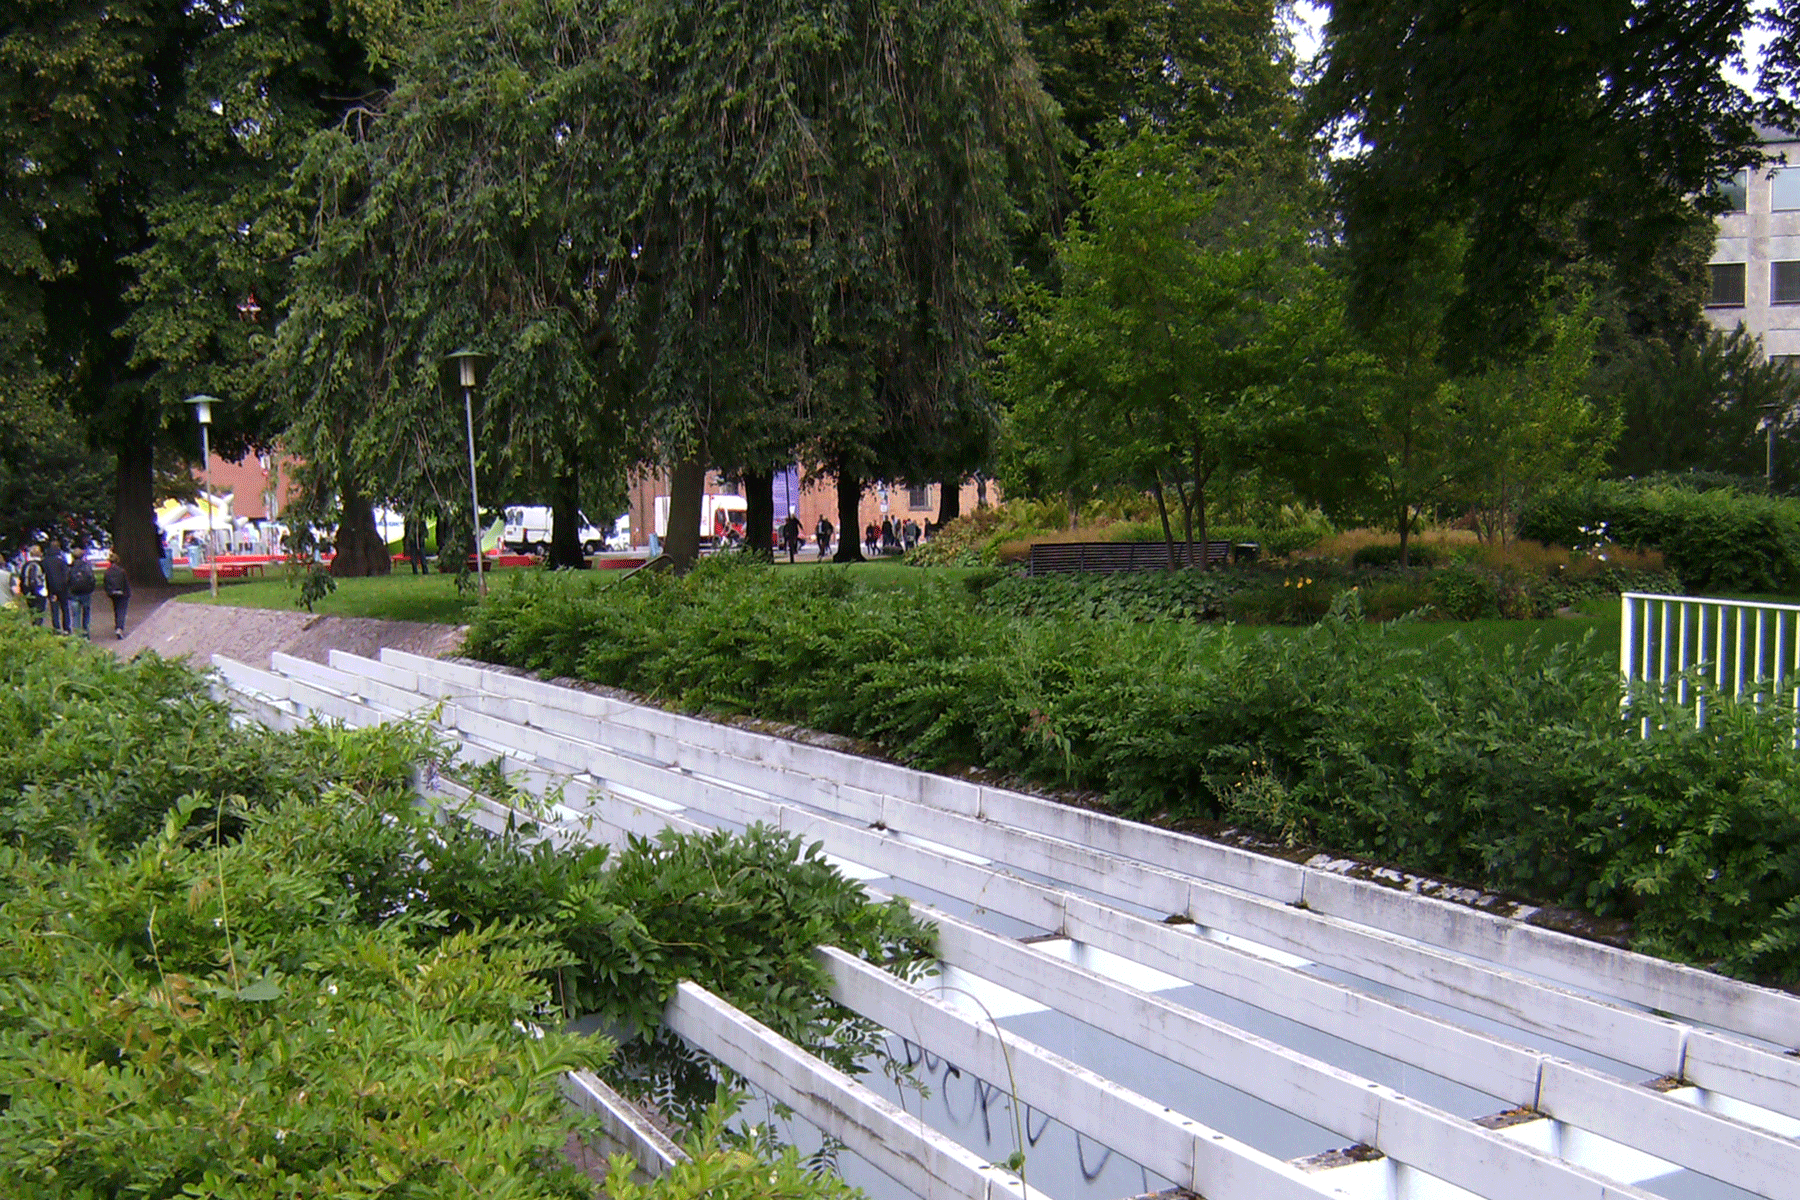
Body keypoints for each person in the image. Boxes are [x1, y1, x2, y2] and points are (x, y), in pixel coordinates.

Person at [66, 544, 96, 639]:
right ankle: (86, 633)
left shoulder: (70, 567)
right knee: (86, 614)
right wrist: (91, 589)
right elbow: (92, 579)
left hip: (74, 594)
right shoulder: (87, 566)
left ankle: (77, 635)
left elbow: (66, 580)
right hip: (86, 593)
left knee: (76, 615)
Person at [43, 540, 70, 633]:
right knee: (65, 609)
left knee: (54, 610)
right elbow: (66, 574)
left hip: (51, 588)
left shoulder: (46, 560)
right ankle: (66, 628)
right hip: (63, 588)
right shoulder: (61, 559)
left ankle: (56, 628)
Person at [104, 556, 132, 640]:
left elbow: (106, 584)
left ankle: (117, 626)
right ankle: (119, 628)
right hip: (122, 594)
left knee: (116, 609)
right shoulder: (121, 571)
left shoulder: (107, 572)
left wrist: (109, 592)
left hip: (113, 594)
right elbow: (125, 583)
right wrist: (128, 593)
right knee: (122, 611)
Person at [19, 545, 47, 626]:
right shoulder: (43, 564)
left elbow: (22, 578)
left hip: (28, 591)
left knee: (32, 610)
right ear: (40, 553)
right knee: (40, 611)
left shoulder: (26, 565)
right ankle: (38, 626)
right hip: (40, 591)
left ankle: (34, 625)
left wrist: (24, 591)